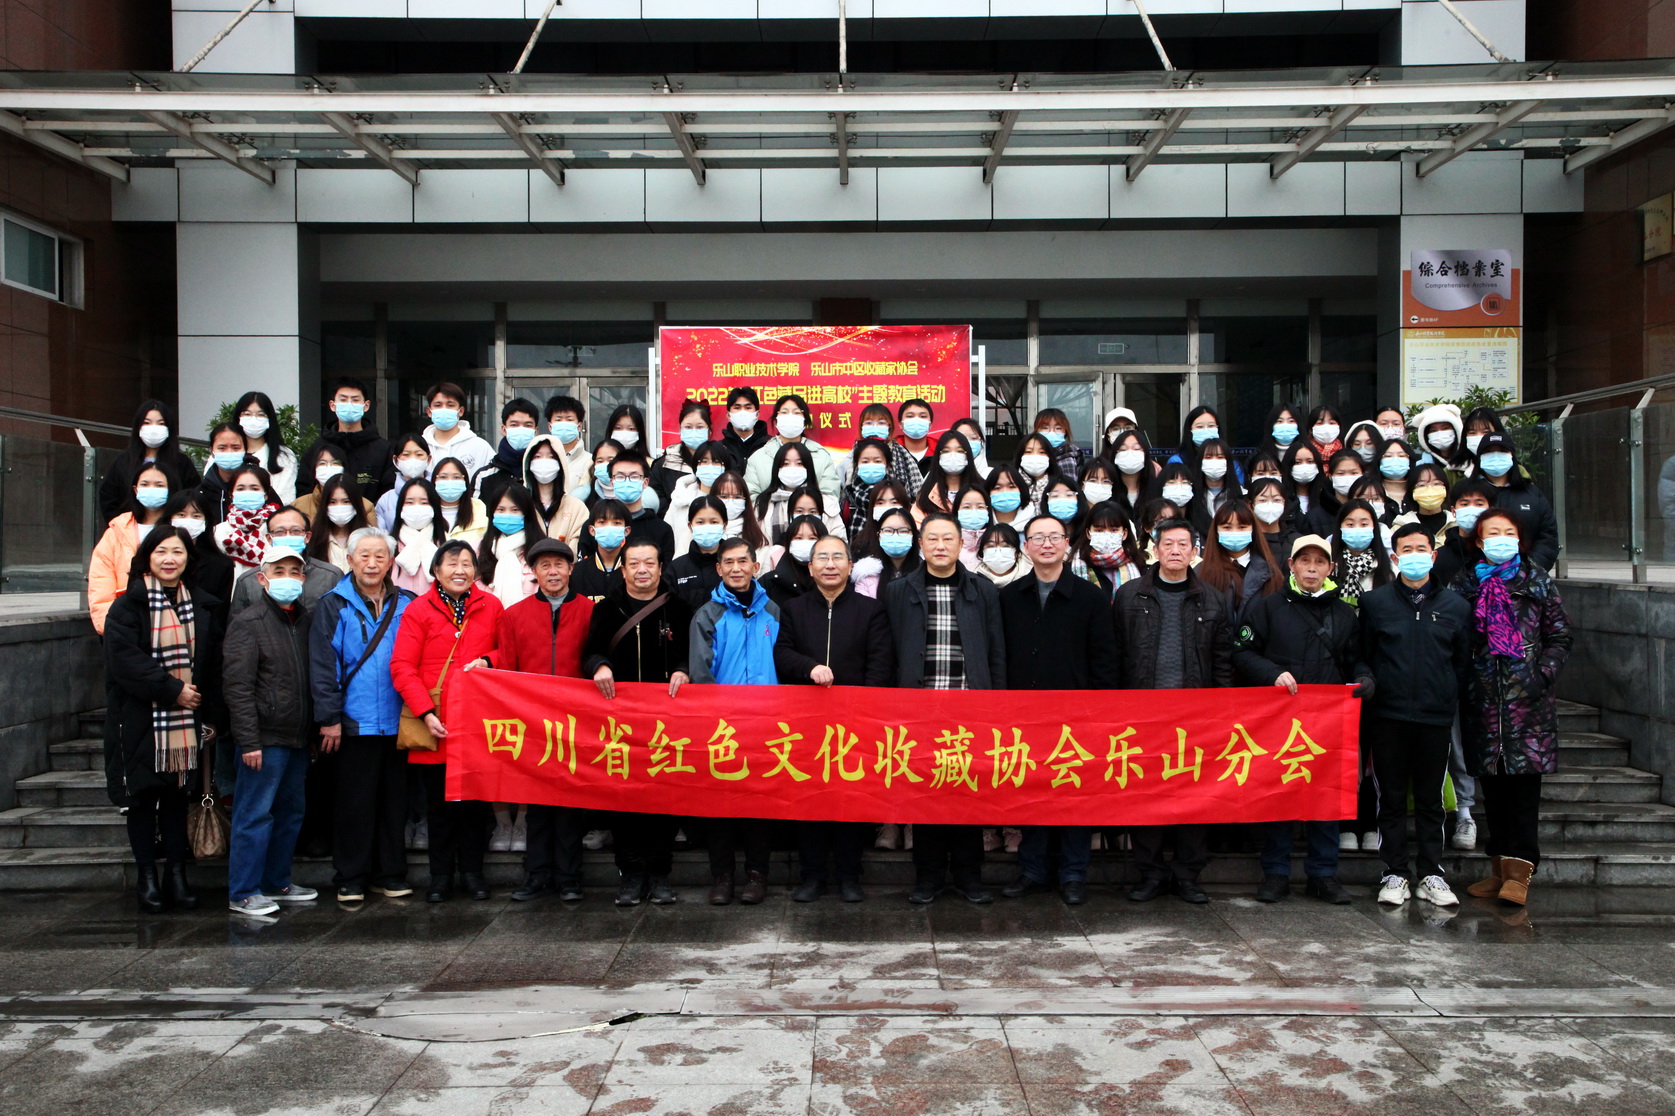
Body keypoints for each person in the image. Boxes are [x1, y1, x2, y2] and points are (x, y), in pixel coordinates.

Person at [1232, 533, 1372, 905]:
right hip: (1279, 719)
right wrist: (1271, 673)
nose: (1312, 568)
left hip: (1327, 722)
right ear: (1291, 565)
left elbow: (1357, 659)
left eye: (1319, 562)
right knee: (1278, 795)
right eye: (1305, 561)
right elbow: (1242, 652)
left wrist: (1365, 679)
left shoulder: (1344, 614)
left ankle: (1323, 875)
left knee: (1325, 797)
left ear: (1330, 568)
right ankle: (1276, 873)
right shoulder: (1268, 608)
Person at [882, 513, 1006, 904]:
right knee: (925, 794)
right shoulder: (898, 590)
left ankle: (970, 876)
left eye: (948, 538)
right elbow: (890, 651)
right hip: (919, 709)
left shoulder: (982, 590)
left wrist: (997, 704)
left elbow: (995, 651)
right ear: (920, 544)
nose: (940, 545)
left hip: (969, 707)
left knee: (968, 793)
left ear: (961, 544)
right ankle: (928, 876)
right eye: (932, 538)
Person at [1453, 509, 1572, 907]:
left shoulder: (1536, 581)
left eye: (1509, 532)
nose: (1501, 539)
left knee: (1522, 793)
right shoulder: (1465, 584)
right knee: (1494, 791)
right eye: (1493, 532)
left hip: (1528, 706)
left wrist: (1542, 674)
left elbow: (1560, 635)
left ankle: (1520, 872)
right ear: (1479, 540)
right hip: (1483, 704)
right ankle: (1499, 869)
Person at [103, 526, 223, 914]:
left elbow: (214, 666)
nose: (169, 559)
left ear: (189, 558)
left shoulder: (203, 605)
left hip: (187, 725)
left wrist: (212, 715)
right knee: (141, 801)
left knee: (176, 800)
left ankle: (176, 875)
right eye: (161, 552)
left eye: (178, 552)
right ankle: (147, 877)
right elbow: (125, 662)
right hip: (138, 720)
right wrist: (173, 690)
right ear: (147, 557)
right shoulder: (127, 606)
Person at [1000, 514, 1118, 905]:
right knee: (1031, 791)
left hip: (1077, 717)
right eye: (1038, 538)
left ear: (1067, 544)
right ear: (1026, 547)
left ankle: (1073, 874)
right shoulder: (1009, 597)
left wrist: (1099, 712)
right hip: (1024, 715)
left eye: (1054, 537)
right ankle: (1033, 869)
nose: (1047, 544)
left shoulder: (1090, 597)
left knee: (1074, 793)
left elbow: (1105, 660)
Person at [1112, 522, 1232, 904]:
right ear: (1155, 549)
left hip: (1195, 715)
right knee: (1144, 795)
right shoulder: (1129, 596)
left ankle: (1187, 876)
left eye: (1183, 544)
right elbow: (1116, 655)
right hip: (1142, 714)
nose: (1176, 550)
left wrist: (1222, 712)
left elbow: (1223, 661)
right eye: (1168, 544)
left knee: (1194, 796)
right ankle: (1150, 873)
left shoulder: (1212, 600)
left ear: (1195, 551)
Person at [773, 534, 895, 902]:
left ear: (850, 566)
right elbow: (781, 653)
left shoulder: (870, 610)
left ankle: (849, 875)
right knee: (809, 798)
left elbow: (879, 664)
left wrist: (864, 708)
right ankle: (812, 875)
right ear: (810, 568)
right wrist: (809, 667)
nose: (830, 564)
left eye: (838, 557)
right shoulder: (793, 609)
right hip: (805, 721)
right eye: (822, 558)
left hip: (854, 723)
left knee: (850, 800)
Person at [475, 538, 595, 903]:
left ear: (571, 569)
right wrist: (488, 664)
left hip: (577, 721)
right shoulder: (515, 614)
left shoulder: (590, 611)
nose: (553, 572)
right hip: (534, 722)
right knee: (537, 802)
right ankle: (537, 874)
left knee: (571, 803)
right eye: (545, 566)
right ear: (533, 572)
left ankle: (570, 877)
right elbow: (509, 663)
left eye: (559, 565)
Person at [1360, 523, 1473, 909]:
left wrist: (1445, 694)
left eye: (1421, 548)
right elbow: (1364, 654)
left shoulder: (1456, 607)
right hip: (1387, 715)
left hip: (1434, 717)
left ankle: (1431, 873)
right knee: (1390, 798)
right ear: (1394, 557)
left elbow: (1462, 663)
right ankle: (1394, 872)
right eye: (1406, 549)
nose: (1414, 555)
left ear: (1433, 554)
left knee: (1430, 800)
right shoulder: (1375, 604)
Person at [390, 540, 503, 903]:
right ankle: (440, 876)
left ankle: (472, 873)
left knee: (475, 804)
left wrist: (489, 660)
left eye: (467, 563)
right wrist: (425, 712)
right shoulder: (418, 610)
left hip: (479, 722)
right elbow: (402, 666)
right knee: (438, 806)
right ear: (436, 571)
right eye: (451, 563)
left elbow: (509, 650)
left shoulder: (491, 605)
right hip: (435, 721)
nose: (460, 570)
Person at [583, 538, 692, 906]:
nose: (642, 570)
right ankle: (630, 875)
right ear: (624, 569)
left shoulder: (680, 608)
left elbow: (693, 654)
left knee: (665, 796)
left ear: (661, 568)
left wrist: (684, 669)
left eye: (649, 563)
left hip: (668, 721)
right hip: (621, 720)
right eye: (634, 564)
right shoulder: (606, 609)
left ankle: (660, 874)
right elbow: (589, 652)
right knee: (624, 797)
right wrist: (599, 665)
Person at [311, 527, 413, 904]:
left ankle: (390, 874)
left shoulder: (408, 603)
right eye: (364, 556)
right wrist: (329, 718)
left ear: (391, 562)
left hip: (399, 720)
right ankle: (351, 877)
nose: (372, 563)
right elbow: (323, 666)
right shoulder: (332, 604)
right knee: (354, 804)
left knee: (394, 803)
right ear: (350, 560)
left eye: (379, 556)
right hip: (353, 722)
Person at [223, 549, 318, 916]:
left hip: (297, 737)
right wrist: (249, 740)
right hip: (263, 738)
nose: (288, 578)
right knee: (254, 815)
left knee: (291, 814)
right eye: (279, 571)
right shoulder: (248, 622)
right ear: (262, 579)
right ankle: (244, 891)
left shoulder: (305, 620)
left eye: (294, 571)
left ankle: (277, 881)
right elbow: (238, 687)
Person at [690, 537, 782, 904]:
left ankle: (757, 874)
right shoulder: (707, 614)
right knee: (720, 802)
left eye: (743, 561)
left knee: (760, 801)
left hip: (765, 722)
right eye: (728, 562)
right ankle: (722, 876)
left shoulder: (772, 610)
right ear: (718, 569)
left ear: (756, 566)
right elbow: (700, 673)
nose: (736, 568)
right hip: (721, 725)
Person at [90, 462, 182, 634]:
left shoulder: (180, 529)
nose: (151, 489)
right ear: (135, 489)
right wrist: (110, 626)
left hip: (172, 624)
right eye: (145, 484)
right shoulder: (117, 531)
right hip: (123, 625)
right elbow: (100, 583)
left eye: (159, 485)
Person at [99, 400, 201, 527]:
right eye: (147, 423)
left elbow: (193, 497)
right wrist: (122, 527)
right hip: (129, 530)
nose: (153, 429)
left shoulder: (182, 463)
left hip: (170, 531)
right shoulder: (123, 462)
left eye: (161, 423)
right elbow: (108, 498)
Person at [228, 505, 344, 613]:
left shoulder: (331, 576)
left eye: (296, 531)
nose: (288, 535)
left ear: (307, 536)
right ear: (269, 538)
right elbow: (238, 625)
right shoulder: (248, 581)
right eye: (279, 532)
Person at [1473, 432, 1560, 571]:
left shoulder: (1532, 493)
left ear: (1512, 455)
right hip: (1477, 575)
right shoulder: (1468, 493)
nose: (1495, 455)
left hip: (1526, 575)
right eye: (1488, 451)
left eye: (1502, 450)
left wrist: (1530, 569)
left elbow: (1547, 536)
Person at [306, 376, 394, 497]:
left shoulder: (383, 449)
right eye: (343, 400)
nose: (349, 404)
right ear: (332, 405)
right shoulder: (319, 447)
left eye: (355, 400)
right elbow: (305, 487)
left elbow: (389, 492)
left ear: (366, 405)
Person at [744, 393, 841, 498]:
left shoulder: (821, 455)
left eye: (796, 412)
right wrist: (774, 503)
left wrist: (806, 505)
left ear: (805, 421)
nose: (790, 416)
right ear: (776, 421)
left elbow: (830, 496)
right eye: (784, 412)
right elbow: (751, 497)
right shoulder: (758, 458)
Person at [1195, 500, 1279, 618]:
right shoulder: (1200, 572)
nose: (1234, 532)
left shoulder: (1269, 572)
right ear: (1216, 531)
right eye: (1227, 527)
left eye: (1242, 527)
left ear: (1253, 530)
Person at [477, 483, 543, 607]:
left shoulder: (541, 550)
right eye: (501, 510)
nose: (507, 515)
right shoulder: (479, 549)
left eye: (515, 510)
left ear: (527, 513)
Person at [523, 432, 591, 549]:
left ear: (561, 463)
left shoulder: (576, 507)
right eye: (537, 457)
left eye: (551, 457)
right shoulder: (521, 505)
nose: (544, 462)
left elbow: (579, 544)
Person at [471, 397, 541, 504]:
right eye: (514, 425)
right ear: (504, 429)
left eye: (528, 425)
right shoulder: (484, 477)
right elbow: (477, 512)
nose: (521, 429)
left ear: (535, 431)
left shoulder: (545, 472)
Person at [609, 450, 676, 561]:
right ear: (612, 482)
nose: (627, 482)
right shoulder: (598, 525)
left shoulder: (661, 529)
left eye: (634, 476)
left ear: (645, 482)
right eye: (620, 477)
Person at [234, 391, 298, 504]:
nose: (254, 419)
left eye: (260, 415)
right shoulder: (226, 454)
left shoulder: (284, 456)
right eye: (247, 414)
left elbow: (285, 498)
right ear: (238, 418)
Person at [421, 381, 494, 479]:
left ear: (461, 411)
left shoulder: (480, 447)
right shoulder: (420, 447)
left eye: (450, 405)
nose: (444, 409)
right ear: (429, 412)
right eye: (438, 405)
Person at [306, 474, 371, 574]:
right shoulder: (313, 539)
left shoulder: (370, 536)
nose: (339, 507)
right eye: (332, 502)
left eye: (346, 501)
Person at [854, 403, 925, 494]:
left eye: (881, 423)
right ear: (861, 426)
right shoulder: (852, 454)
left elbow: (918, 492)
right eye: (869, 423)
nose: (875, 427)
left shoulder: (903, 455)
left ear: (889, 426)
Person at [392, 478, 446, 596]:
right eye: (409, 502)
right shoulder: (390, 545)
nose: (416, 507)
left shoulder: (445, 545)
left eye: (424, 502)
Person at [652, 398, 712, 503]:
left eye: (700, 427)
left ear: (709, 430)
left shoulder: (721, 461)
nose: (694, 431)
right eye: (688, 427)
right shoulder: (665, 464)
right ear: (680, 428)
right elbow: (656, 498)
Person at [852, 506, 920, 598]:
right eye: (888, 531)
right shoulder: (866, 574)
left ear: (913, 537)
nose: (895, 536)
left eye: (903, 531)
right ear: (879, 536)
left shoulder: (925, 571)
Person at [760, 514, 827, 607]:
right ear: (788, 542)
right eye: (798, 538)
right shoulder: (770, 582)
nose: (804, 543)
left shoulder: (833, 580)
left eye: (812, 538)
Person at [572, 499, 632, 599]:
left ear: (626, 530)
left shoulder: (633, 569)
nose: (609, 527)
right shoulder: (577, 572)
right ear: (592, 530)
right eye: (602, 522)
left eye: (617, 523)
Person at [196, 423, 254, 526]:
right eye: (222, 448)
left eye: (236, 448)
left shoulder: (259, 487)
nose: (229, 452)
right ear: (212, 451)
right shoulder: (202, 492)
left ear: (245, 450)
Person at [373, 436, 431, 532]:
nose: (413, 459)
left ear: (429, 459)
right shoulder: (386, 500)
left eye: (419, 454)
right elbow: (381, 533)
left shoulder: (438, 493)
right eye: (406, 454)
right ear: (396, 460)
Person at [544, 394, 593, 495]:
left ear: (579, 426)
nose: (563, 423)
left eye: (569, 419)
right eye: (558, 420)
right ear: (550, 426)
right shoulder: (541, 459)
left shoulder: (590, 461)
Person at [720, 386, 770, 472]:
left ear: (757, 414)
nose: (742, 412)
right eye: (737, 408)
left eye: (748, 408)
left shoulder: (770, 446)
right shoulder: (720, 448)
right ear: (728, 415)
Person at [1033, 407, 1086, 484]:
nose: (1051, 432)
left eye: (1058, 428)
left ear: (1065, 431)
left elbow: (1068, 487)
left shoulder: (1069, 457)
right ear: (1036, 430)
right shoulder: (1030, 454)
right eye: (1045, 428)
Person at [973, 522, 1029, 588]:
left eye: (1005, 546)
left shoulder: (1029, 580)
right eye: (991, 546)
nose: (998, 551)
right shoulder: (972, 582)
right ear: (982, 551)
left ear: (1016, 552)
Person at [897, 398, 937, 474]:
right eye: (910, 416)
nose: (916, 420)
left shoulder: (940, 451)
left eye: (923, 416)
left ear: (930, 425)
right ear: (901, 424)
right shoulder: (891, 452)